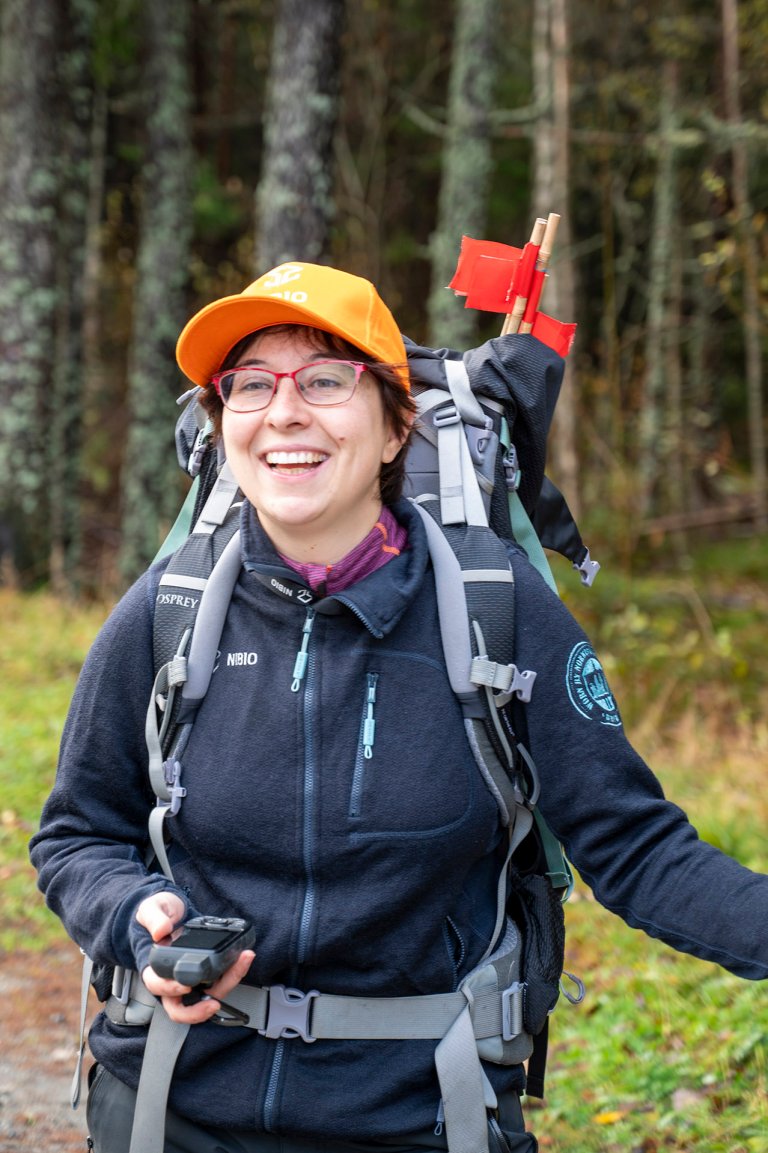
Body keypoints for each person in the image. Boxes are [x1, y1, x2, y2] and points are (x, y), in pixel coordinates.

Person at [30, 261, 768, 1153]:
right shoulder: (169, 609)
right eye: (251, 384)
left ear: (393, 427)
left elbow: (641, 850)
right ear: (225, 424)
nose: (285, 410)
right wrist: (131, 911)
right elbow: (77, 832)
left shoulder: (498, 611)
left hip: (419, 1115)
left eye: (327, 379)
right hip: (171, 1108)